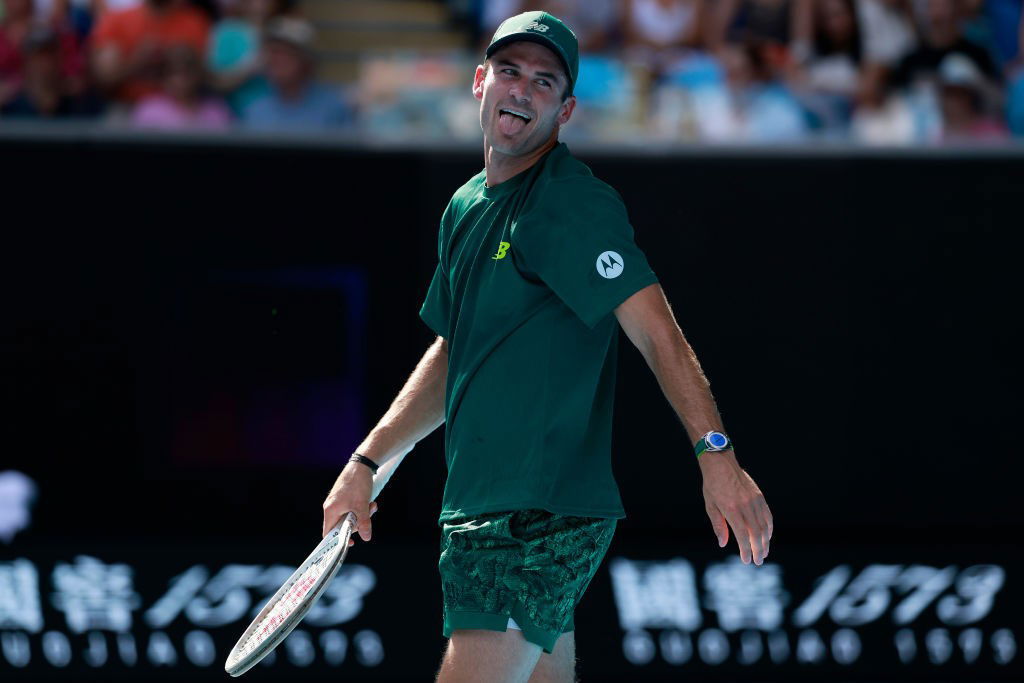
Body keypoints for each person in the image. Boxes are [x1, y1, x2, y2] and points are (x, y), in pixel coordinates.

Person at [320, 11, 773, 683]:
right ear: (480, 82)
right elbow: (456, 351)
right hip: (479, 506)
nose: (522, 91)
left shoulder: (570, 205)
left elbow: (656, 329)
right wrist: (369, 458)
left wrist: (717, 454)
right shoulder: (466, 206)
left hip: (537, 514)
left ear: (565, 111)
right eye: (509, 72)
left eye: (543, 81)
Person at [91, 0, 211, 106]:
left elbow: (206, 76)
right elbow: (104, 78)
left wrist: (177, 63)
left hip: (181, 112)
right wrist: (137, 62)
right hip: (127, 108)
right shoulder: (116, 20)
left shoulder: (195, 22)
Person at [241, 17, 352, 131]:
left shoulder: (334, 106)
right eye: (272, 52)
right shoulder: (255, 110)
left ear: (306, 59)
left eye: (285, 52)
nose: (276, 60)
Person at [131, 42, 230, 129]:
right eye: (173, 72)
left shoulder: (216, 110)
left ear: (199, 75)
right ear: (163, 77)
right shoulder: (148, 111)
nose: (181, 79)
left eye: (187, 71)